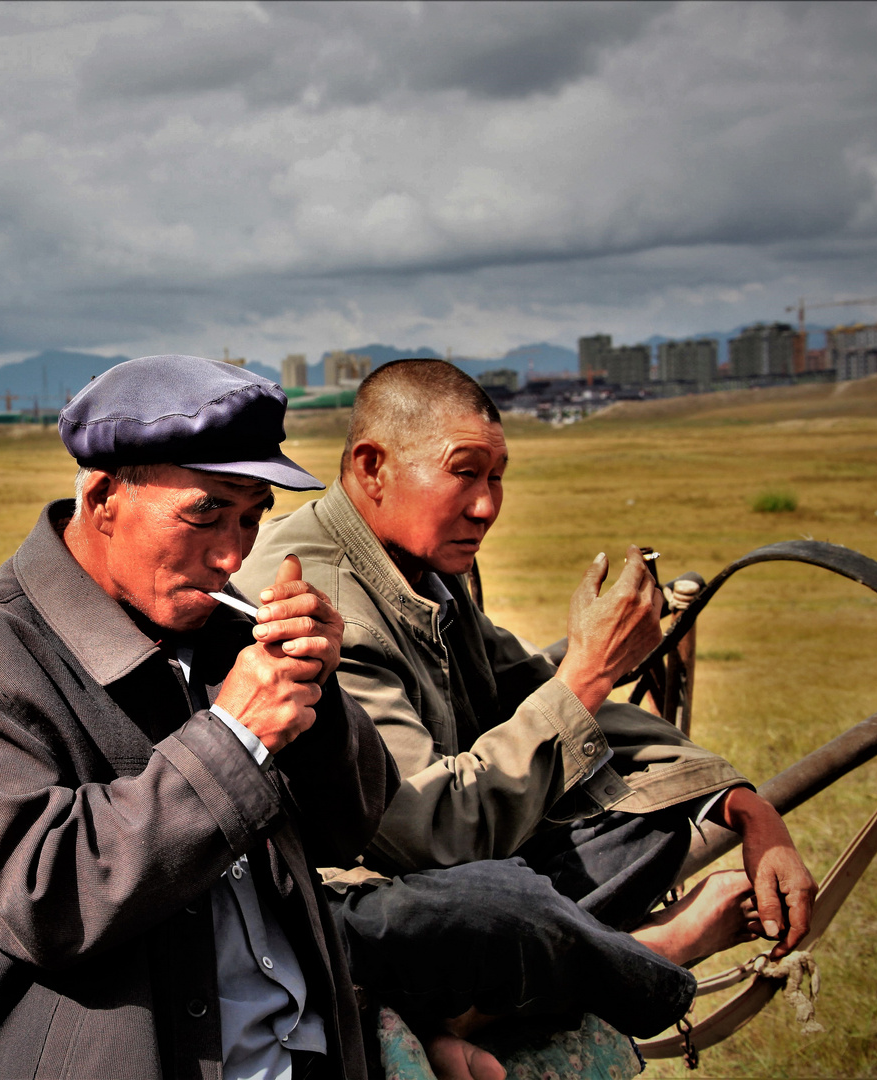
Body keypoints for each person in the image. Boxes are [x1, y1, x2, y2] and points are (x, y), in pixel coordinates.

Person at [234, 359, 816, 1076]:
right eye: (465, 473)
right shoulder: (321, 602)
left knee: (650, 818)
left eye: (497, 477)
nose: (486, 506)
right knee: (496, 901)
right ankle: (653, 958)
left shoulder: (421, 574)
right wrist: (591, 669)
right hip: (334, 903)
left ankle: (493, 996)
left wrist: (750, 811)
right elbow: (427, 831)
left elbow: (539, 695)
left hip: (441, 869)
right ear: (372, 466)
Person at [0, 355, 397, 1079]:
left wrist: (314, 701)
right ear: (102, 498)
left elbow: (350, 828)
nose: (233, 554)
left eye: (253, 517)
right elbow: (47, 903)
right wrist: (234, 738)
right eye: (205, 512)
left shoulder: (231, 631)